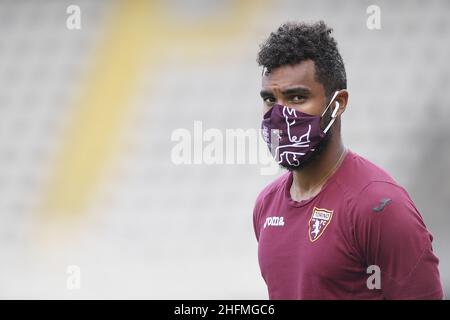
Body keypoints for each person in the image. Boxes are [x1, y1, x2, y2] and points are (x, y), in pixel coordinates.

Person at [253, 21, 443, 299]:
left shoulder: (379, 206)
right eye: (271, 100)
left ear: (338, 103)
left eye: (297, 97)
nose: (280, 115)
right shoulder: (266, 206)